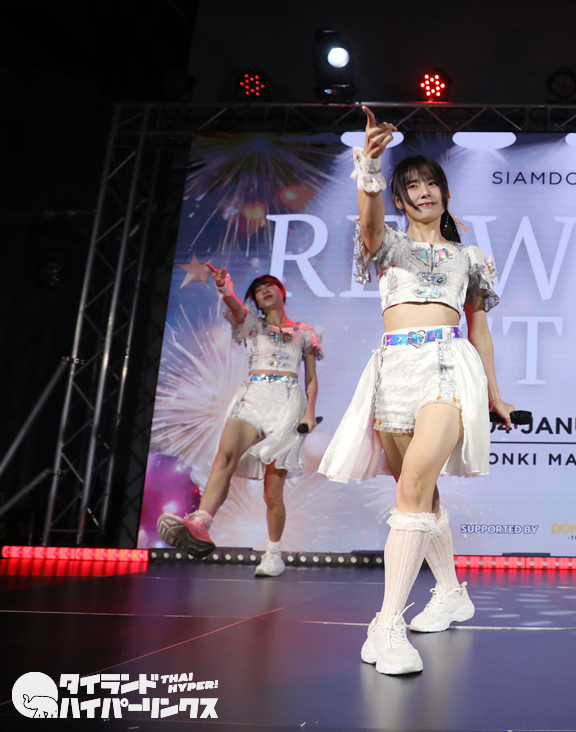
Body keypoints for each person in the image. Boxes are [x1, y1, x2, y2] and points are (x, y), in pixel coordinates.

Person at [319, 106, 513, 676]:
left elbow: (479, 328)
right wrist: (370, 167)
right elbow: (369, 226)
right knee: (420, 494)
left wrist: (495, 392)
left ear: (445, 194)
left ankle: (386, 627)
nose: (424, 192)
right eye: (412, 187)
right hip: (393, 370)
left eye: (431, 183)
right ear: (400, 201)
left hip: (448, 365)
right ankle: (449, 591)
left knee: (413, 487)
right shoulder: (389, 246)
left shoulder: (469, 258)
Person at [158, 268, 322, 577]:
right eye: (258, 289)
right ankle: (201, 523)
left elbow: (311, 379)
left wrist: (309, 413)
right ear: (256, 301)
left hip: (287, 404)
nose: (264, 290)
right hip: (252, 397)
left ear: (282, 291)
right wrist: (226, 289)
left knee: (272, 492)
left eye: (270, 285)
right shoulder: (252, 326)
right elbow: (234, 306)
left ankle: (273, 554)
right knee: (225, 456)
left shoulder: (304, 332)